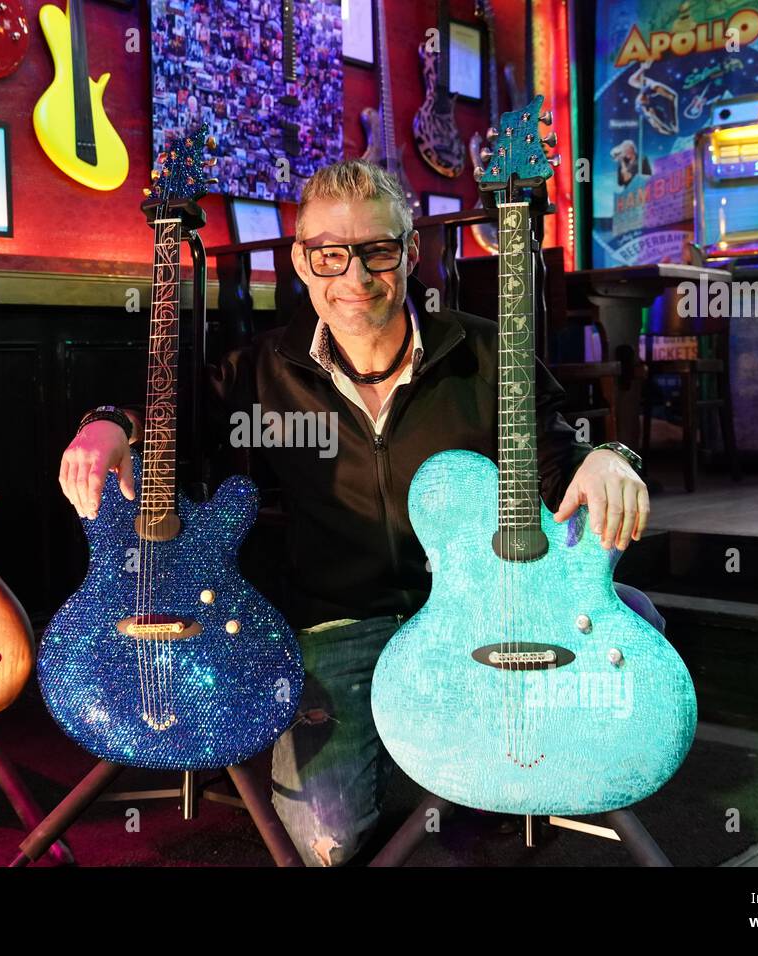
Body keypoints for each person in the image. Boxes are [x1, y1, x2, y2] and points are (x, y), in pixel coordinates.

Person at [60, 159, 662, 866]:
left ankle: (480, 763)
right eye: (329, 254)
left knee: (633, 622)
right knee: (328, 841)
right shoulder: (263, 368)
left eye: (377, 250)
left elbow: (560, 459)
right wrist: (106, 424)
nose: (355, 277)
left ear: (409, 251)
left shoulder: (484, 351)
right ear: (301, 260)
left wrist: (612, 454)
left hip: (480, 607)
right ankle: (438, 755)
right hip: (339, 618)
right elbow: (166, 418)